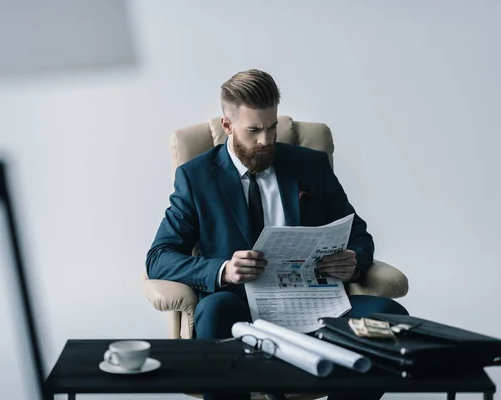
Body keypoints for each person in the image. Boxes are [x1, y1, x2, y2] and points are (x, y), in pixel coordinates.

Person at [146, 69, 408, 400]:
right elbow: (159, 257)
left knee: (391, 319)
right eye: (254, 130)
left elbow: (357, 232)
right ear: (227, 126)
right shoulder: (196, 177)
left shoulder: (310, 166)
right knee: (213, 312)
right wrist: (223, 270)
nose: (266, 141)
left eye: (271, 128)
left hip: (316, 305)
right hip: (239, 309)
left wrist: (352, 261)